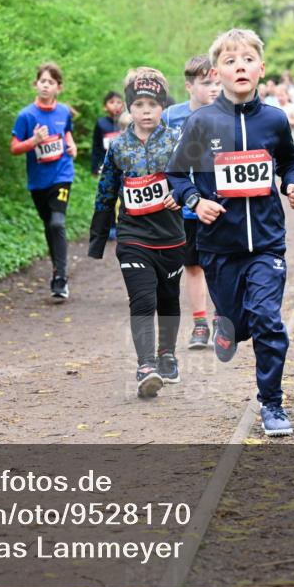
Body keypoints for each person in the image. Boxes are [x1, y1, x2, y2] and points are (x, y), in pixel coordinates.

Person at [167, 28, 294, 438]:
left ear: (261, 69)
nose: (239, 66)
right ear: (216, 73)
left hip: (266, 242)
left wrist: (292, 183)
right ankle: (228, 323)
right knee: (238, 318)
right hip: (219, 246)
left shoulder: (275, 120)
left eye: (247, 60)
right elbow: (177, 174)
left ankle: (272, 403)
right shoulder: (201, 122)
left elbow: (289, 161)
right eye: (230, 61)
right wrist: (195, 202)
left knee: (267, 320)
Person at [88, 68, 185, 398]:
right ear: (129, 108)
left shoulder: (176, 141)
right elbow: (106, 192)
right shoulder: (118, 148)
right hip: (133, 236)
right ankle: (146, 365)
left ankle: (167, 352)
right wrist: (98, 239)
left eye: (153, 105)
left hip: (172, 236)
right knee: (142, 299)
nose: (146, 111)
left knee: (168, 298)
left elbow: (195, 181)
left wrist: (182, 195)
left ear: (162, 108)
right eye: (139, 104)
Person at [163, 55, 221, 350]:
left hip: (219, 203)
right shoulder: (171, 116)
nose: (213, 88)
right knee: (194, 265)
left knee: (220, 264)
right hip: (185, 205)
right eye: (206, 83)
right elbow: (159, 154)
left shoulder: (227, 114)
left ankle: (222, 318)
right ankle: (200, 324)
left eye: (216, 82)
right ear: (189, 85)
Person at [10, 62, 78, 301]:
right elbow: (15, 148)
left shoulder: (63, 112)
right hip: (39, 182)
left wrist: (72, 144)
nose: (46, 86)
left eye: (51, 82)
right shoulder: (26, 116)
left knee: (58, 223)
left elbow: (66, 133)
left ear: (59, 87)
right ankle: (57, 269)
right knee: (49, 224)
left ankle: (60, 279)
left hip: (62, 175)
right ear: (35, 84)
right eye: (42, 81)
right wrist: (34, 141)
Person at [91, 91, 124, 176]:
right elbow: (96, 147)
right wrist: (94, 168)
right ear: (105, 107)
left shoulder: (128, 122)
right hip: (107, 166)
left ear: (123, 106)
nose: (116, 105)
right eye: (112, 102)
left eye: (119, 102)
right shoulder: (101, 123)